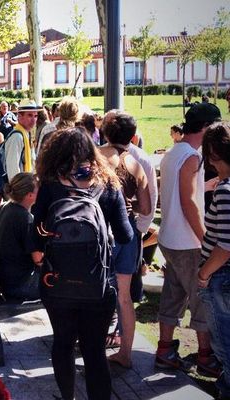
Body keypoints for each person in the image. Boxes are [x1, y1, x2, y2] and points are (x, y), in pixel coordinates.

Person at [32, 127, 133, 400]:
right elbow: (126, 235)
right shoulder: (109, 185)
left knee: (63, 344)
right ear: (92, 152)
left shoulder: (51, 186)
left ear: (54, 155)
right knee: (94, 352)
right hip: (98, 286)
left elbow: (36, 235)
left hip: (57, 284)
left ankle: (67, 397)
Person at [157, 102, 222, 376]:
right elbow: (188, 202)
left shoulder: (175, 151)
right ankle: (206, 357)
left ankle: (165, 350)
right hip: (186, 242)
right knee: (201, 301)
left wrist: (206, 185)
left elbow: (181, 190)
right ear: (206, 128)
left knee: (172, 295)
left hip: (169, 238)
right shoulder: (192, 157)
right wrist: (205, 240)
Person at [99, 111, 152, 369]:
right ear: (132, 136)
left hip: (101, 231)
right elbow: (145, 207)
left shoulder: (97, 157)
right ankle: (126, 353)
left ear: (105, 132)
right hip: (128, 232)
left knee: (96, 292)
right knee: (124, 296)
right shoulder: (136, 164)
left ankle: (94, 349)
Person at [198, 122, 230, 400]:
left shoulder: (225, 190)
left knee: (223, 344)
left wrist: (204, 274)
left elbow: (225, 245)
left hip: (220, 276)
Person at [0, 173, 39, 300]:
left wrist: (4, 243)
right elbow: (38, 259)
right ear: (29, 195)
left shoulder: (6, 207)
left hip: (3, 279)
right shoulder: (26, 218)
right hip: (20, 285)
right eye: (37, 190)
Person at [3, 102, 40, 181]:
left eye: (35, 116)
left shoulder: (27, 134)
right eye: (30, 115)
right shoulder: (16, 137)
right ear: (20, 116)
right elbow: (13, 171)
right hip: (21, 188)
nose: (33, 120)